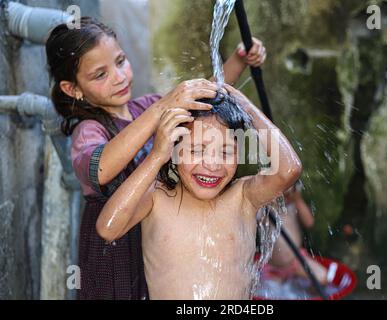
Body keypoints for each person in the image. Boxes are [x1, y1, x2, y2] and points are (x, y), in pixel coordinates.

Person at [45, 17, 267, 299]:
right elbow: (99, 169)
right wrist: (164, 107)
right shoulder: (89, 130)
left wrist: (238, 60)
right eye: (100, 75)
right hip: (115, 248)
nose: (119, 76)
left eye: (121, 61)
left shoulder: (146, 106)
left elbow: (203, 97)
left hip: (154, 234)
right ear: (72, 89)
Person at [96, 85, 302, 299]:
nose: (213, 165)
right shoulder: (157, 198)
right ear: (172, 150)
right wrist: (156, 156)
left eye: (226, 151)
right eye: (196, 150)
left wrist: (246, 108)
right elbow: (108, 228)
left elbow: (289, 170)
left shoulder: (243, 197)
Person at [265, 181, 328, 284]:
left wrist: (297, 200)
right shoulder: (265, 208)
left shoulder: (293, 204)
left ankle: (310, 294)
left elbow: (309, 223)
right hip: (271, 267)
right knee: (270, 292)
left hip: (296, 261)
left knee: (322, 278)